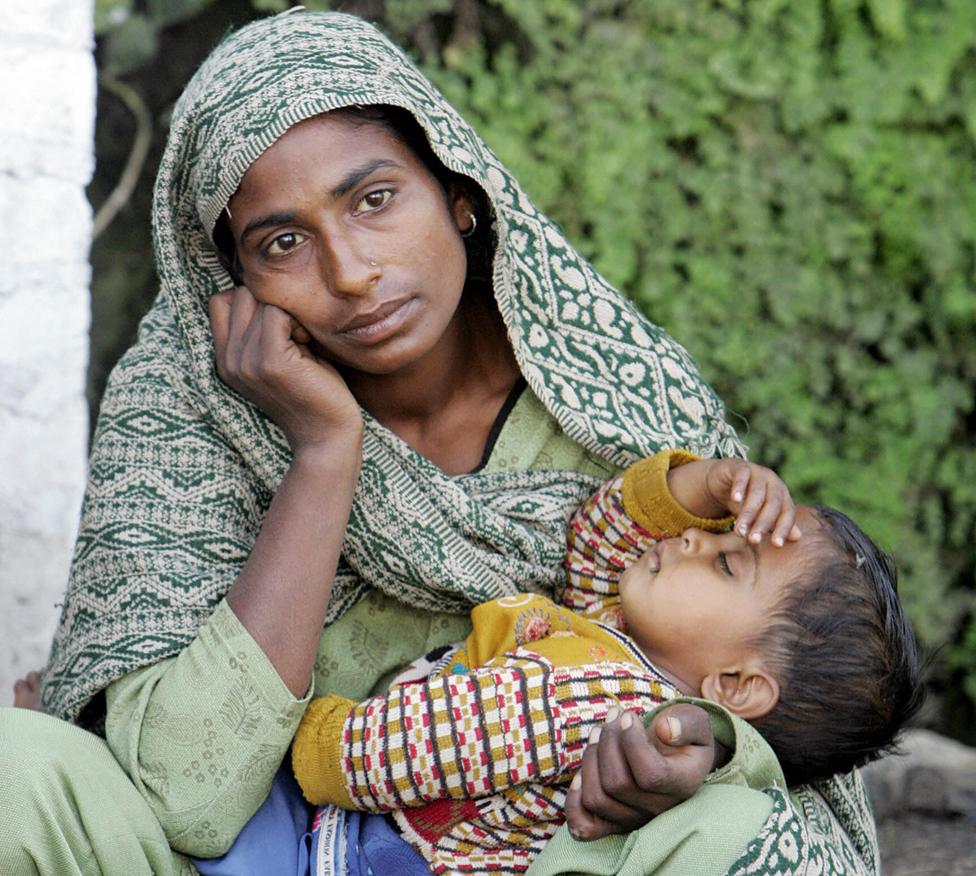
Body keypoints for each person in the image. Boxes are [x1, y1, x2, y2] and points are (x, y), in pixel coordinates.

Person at [0, 10, 883, 876]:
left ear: (458, 194)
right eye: (282, 242)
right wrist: (323, 454)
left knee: (731, 828)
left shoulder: (607, 393)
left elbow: (790, 717)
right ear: (230, 286)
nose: (350, 272)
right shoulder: (187, 414)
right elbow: (184, 800)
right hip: (264, 855)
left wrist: (702, 746)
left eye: (374, 200)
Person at [286, 451, 921, 874]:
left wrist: (299, 739)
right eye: (719, 528)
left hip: (377, 849)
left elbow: (420, 746)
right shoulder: (622, 643)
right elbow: (598, 543)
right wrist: (703, 485)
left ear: (733, 684)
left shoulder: (596, 697)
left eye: (727, 562)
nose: (697, 537)